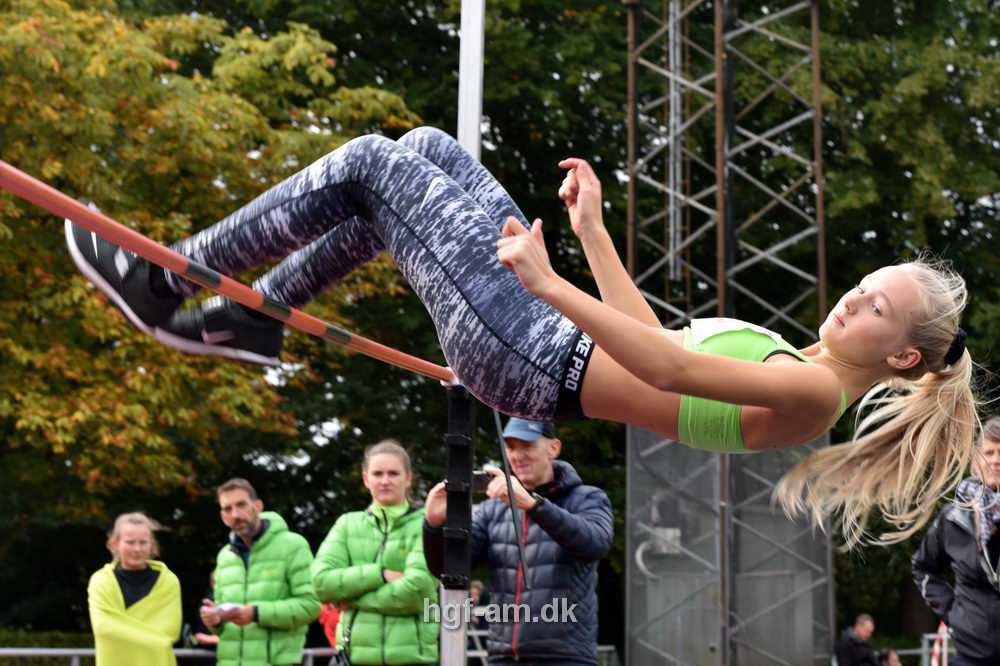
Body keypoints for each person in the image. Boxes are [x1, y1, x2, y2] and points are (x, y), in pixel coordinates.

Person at [65, 126, 976, 546]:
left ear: (903, 357)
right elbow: (655, 335)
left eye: (874, 309)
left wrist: (550, 283)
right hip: (540, 333)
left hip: (530, 350)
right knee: (427, 150)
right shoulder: (799, 359)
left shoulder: (814, 394)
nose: (851, 302)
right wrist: (591, 234)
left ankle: (167, 277)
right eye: (862, 288)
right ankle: (250, 316)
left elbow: (660, 366)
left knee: (373, 165)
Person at [423, 418, 614, 665]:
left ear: (553, 448)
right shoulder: (492, 509)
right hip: (503, 656)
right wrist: (433, 525)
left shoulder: (587, 497)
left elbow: (596, 544)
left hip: (565, 657)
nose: (517, 455)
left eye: (527, 445)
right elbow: (448, 570)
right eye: (511, 447)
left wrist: (534, 505)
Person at [311, 440, 439, 665]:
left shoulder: (427, 524)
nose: (385, 481)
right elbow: (321, 584)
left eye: (393, 473)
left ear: (408, 479)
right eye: (377, 474)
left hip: (413, 660)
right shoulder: (347, 524)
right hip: (354, 659)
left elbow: (418, 592)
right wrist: (380, 574)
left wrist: (352, 599)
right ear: (365, 479)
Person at [199, 478, 320, 666]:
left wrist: (256, 613)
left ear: (258, 506)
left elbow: (310, 607)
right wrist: (215, 621)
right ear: (223, 517)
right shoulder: (225, 556)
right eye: (228, 509)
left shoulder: (293, 545)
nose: (236, 514)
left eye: (241, 505)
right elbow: (224, 629)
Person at [912, 416, 1000, 666]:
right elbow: (923, 567)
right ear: (976, 461)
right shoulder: (954, 518)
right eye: (989, 452)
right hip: (971, 655)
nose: (995, 460)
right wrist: (955, 616)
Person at [87, 512, 182, 666]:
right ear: (115, 544)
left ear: (152, 544)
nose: (137, 549)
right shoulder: (101, 581)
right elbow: (103, 627)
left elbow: (170, 631)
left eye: (143, 542)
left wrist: (122, 631)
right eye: (130, 542)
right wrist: (153, 639)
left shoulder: (168, 581)